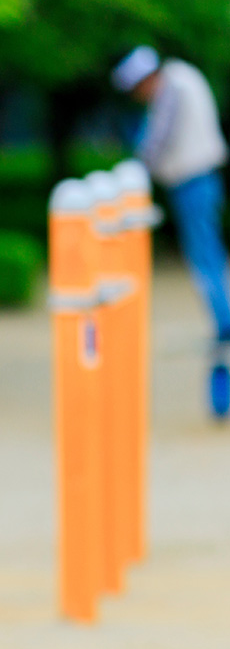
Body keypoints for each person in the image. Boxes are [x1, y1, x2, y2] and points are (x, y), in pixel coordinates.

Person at [111, 45, 230, 415]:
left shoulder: (173, 87)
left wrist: (130, 178)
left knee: (206, 264)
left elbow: (156, 140)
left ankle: (224, 326)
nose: (141, 97)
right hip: (200, 182)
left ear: (148, 79)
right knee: (211, 261)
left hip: (193, 183)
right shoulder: (183, 77)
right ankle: (222, 327)